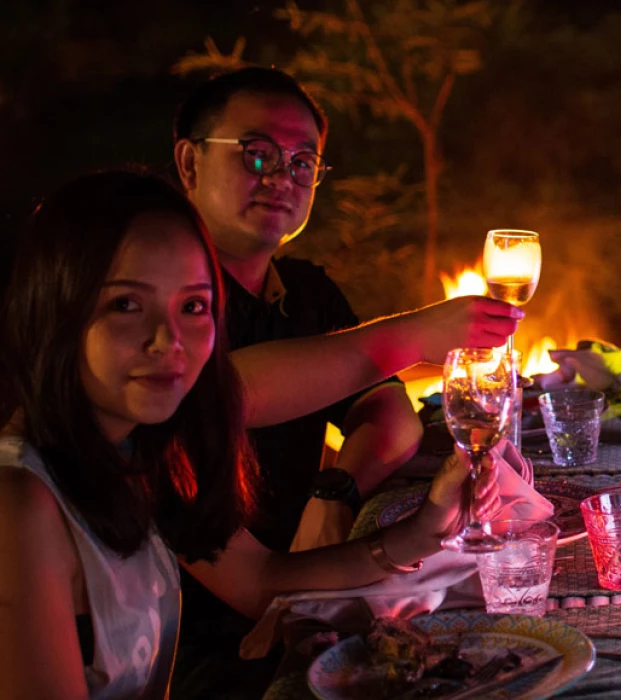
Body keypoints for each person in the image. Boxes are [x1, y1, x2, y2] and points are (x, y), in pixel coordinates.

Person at [0, 171, 495, 698]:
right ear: (53, 311)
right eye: (126, 304)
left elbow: (261, 582)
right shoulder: (21, 507)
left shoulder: (132, 453)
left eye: (193, 306)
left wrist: (427, 527)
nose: (169, 341)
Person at [167, 66, 526, 697]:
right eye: (258, 155)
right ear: (190, 164)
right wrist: (421, 332)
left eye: (304, 162)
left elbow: (389, 416)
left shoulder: (303, 291)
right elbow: (222, 394)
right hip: (197, 641)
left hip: (300, 580)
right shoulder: (165, 309)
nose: (282, 177)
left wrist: (333, 490)